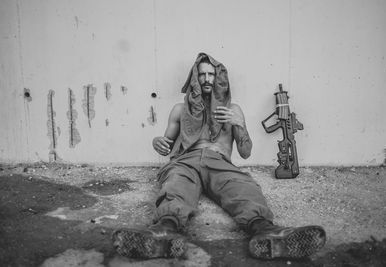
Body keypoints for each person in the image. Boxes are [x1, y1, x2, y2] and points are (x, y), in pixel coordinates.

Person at [112, 53, 326, 260]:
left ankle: (268, 233)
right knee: (175, 186)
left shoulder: (233, 109)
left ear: (219, 78)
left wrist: (239, 124)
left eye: (211, 75)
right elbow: (165, 146)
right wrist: (156, 142)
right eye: (202, 74)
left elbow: (245, 151)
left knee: (244, 188)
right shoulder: (179, 110)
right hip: (186, 160)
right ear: (195, 77)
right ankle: (163, 232)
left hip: (219, 162)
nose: (206, 79)